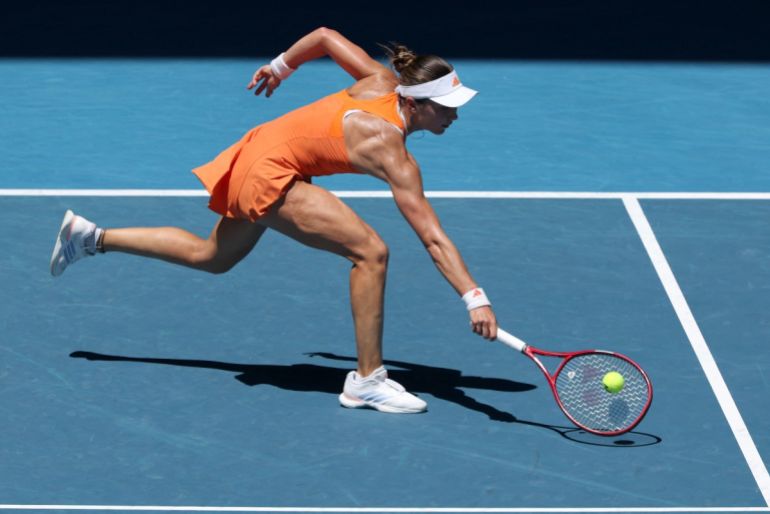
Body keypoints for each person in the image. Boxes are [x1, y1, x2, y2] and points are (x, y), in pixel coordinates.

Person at [50, 27, 498, 414]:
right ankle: (367, 381)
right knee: (370, 253)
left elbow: (324, 36)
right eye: (447, 106)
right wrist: (473, 297)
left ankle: (90, 237)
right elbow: (432, 237)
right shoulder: (391, 152)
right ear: (418, 104)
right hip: (272, 172)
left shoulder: (380, 80)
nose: (455, 114)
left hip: (259, 151)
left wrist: (280, 67)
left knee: (213, 256)